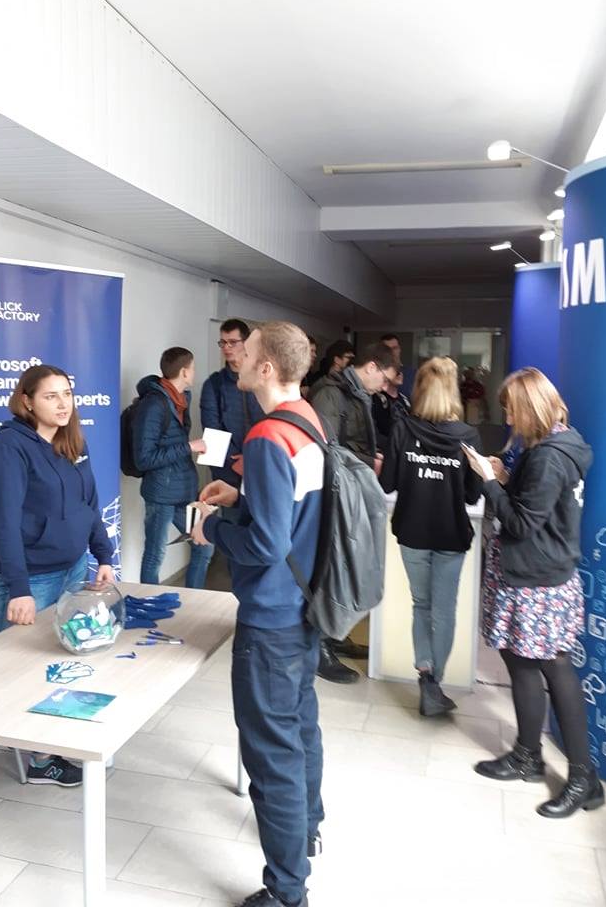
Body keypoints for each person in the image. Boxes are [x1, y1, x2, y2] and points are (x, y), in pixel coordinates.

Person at [191, 322, 324, 907]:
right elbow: (292, 506)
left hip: (270, 615)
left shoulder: (269, 436)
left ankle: (287, 890)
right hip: (304, 603)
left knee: (270, 754)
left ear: (266, 367)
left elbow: (267, 543)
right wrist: (240, 495)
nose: (236, 359)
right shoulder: (306, 421)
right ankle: (308, 827)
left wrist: (213, 529)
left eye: (245, 353)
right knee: (300, 727)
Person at [463, 367, 604, 818]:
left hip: (538, 580)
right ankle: (528, 756)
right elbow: (535, 506)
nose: (507, 418)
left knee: (554, 670)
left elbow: (522, 524)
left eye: (511, 410)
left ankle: (583, 778)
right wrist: (506, 478)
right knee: (522, 663)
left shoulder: (548, 457)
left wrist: (488, 481)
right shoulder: (552, 446)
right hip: (534, 574)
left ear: (530, 407)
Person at [0, 364, 114, 787]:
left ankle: (57, 738)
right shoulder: (9, 448)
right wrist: (19, 589)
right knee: (26, 666)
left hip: (72, 567)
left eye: (67, 394)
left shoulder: (71, 441)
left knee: (63, 659)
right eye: (50, 396)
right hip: (32, 577)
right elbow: (5, 523)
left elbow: (89, 505)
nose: (62, 404)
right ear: (26, 400)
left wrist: (103, 554)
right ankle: (39, 759)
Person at [379, 357, 483, 715]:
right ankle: (434, 682)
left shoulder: (403, 429)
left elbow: (387, 484)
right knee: (445, 609)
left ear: (420, 389)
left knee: (421, 605)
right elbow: (472, 494)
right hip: (451, 534)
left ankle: (425, 673)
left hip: (412, 531)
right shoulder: (468, 437)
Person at [310, 342, 398, 683]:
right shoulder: (330, 394)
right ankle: (319, 646)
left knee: (346, 564)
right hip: (333, 491)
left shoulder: (357, 393)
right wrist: (367, 462)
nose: (385, 387)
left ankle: (335, 633)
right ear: (371, 366)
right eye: (385, 378)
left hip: (348, 487)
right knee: (332, 566)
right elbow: (326, 447)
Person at [133, 347, 214, 587]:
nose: (194, 373)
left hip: (183, 491)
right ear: (184, 372)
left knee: (204, 544)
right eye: (193, 368)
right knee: (155, 555)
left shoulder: (180, 400)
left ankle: (194, 601)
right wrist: (189, 446)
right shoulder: (153, 405)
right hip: (161, 494)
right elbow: (144, 459)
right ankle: (148, 603)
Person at [200, 318, 264, 492]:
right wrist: (236, 461)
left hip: (260, 465)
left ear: (246, 343)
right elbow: (212, 430)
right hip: (228, 473)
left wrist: (252, 459)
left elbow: (271, 421)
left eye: (233, 342)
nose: (226, 348)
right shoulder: (213, 384)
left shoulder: (262, 379)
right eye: (223, 342)